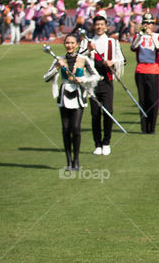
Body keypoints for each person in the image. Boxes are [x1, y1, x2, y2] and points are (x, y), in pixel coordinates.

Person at [44, 34, 100, 170]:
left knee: (75, 128)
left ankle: (76, 160)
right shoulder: (59, 59)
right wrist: (57, 67)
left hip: (79, 96)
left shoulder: (83, 59)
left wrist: (83, 80)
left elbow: (96, 76)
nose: (69, 45)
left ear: (76, 45)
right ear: (64, 44)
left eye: (72, 43)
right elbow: (46, 77)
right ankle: (69, 161)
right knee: (65, 129)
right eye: (67, 43)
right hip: (64, 96)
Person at [88, 15, 124, 155]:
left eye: (102, 24)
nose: (99, 27)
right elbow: (82, 59)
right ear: (94, 26)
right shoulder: (89, 42)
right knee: (95, 114)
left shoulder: (112, 42)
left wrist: (112, 63)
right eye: (97, 24)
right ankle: (97, 144)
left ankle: (106, 142)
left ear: (106, 26)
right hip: (92, 82)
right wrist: (90, 50)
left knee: (108, 112)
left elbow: (122, 60)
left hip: (107, 81)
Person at [131, 13, 159, 133]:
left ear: (153, 24)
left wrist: (152, 36)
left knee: (153, 99)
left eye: (150, 23)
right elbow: (133, 47)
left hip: (154, 70)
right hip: (140, 70)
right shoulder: (138, 35)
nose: (147, 25)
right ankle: (144, 127)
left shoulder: (158, 36)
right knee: (143, 99)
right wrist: (140, 36)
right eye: (145, 22)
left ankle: (152, 127)